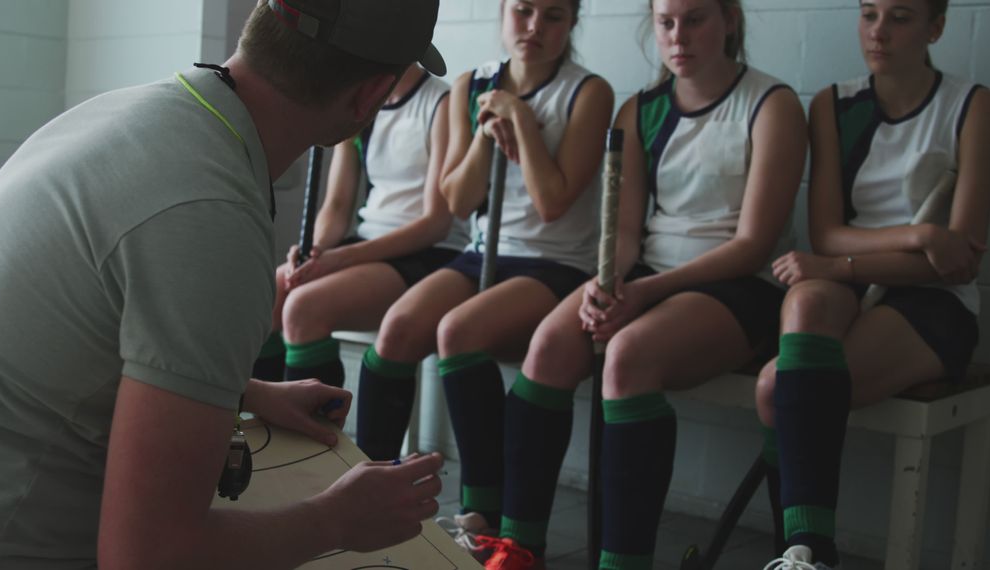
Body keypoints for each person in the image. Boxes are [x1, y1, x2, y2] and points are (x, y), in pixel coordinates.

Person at [0, 0, 450, 567]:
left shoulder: (134, 113)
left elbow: (75, 339)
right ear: (370, 97)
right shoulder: (213, 219)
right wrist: (336, 519)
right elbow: (149, 556)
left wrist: (240, 392)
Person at [479, 0, 809, 568]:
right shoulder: (640, 110)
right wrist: (605, 283)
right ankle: (518, 546)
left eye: (696, 19)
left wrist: (642, 294)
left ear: (729, 19)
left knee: (627, 355)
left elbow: (753, 244)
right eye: (665, 22)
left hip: (738, 285)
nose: (678, 36)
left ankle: (623, 560)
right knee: (550, 343)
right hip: (647, 277)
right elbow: (626, 233)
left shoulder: (772, 104)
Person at [355, 0, 613, 545]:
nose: (535, 28)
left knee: (456, 332)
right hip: (482, 251)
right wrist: (482, 132)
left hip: (556, 261)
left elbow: (552, 204)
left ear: (572, 24)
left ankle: (482, 511)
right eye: (523, 11)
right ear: (503, 14)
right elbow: (457, 197)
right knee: (399, 327)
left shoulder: (589, 92)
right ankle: (364, 487)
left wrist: (521, 120)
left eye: (554, 16)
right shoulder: (471, 85)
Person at [754, 0, 990, 568]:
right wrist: (919, 236)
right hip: (851, 280)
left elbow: (959, 262)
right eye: (869, 14)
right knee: (806, 300)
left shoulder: (974, 106)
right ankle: (803, 552)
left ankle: (803, 553)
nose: (879, 32)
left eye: (901, 17)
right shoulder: (833, 105)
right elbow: (826, 232)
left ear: (935, 27)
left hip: (934, 301)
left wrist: (849, 262)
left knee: (775, 390)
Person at [251, 61, 468, 388]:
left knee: (304, 308)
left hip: (428, 252)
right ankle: (262, 431)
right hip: (366, 245)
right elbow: (337, 206)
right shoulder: (361, 104)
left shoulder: (443, 102)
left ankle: (315, 437)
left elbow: (436, 223)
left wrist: (341, 258)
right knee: (266, 296)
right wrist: (315, 247)